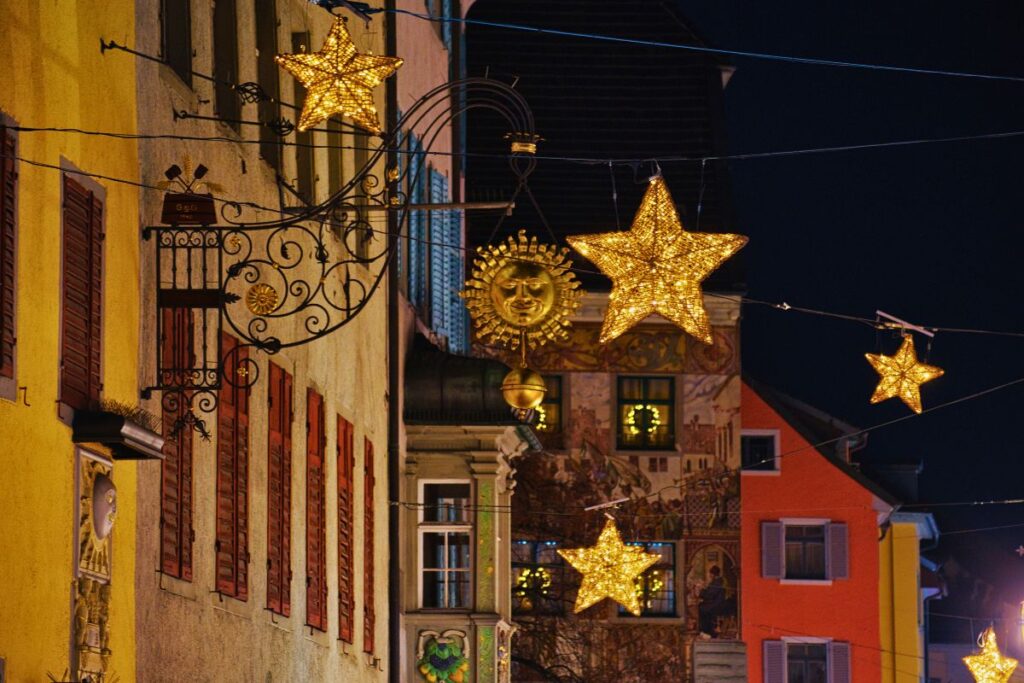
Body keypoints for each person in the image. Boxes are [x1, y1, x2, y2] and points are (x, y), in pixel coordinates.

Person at [698, 565, 726, 637]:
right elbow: (709, 593)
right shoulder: (716, 582)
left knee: (702, 608)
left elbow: (709, 595)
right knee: (701, 606)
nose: (709, 575)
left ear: (713, 574)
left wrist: (702, 590)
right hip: (715, 603)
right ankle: (706, 630)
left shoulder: (717, 582)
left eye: (710, 573)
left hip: (716, 605)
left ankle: (706, 631)